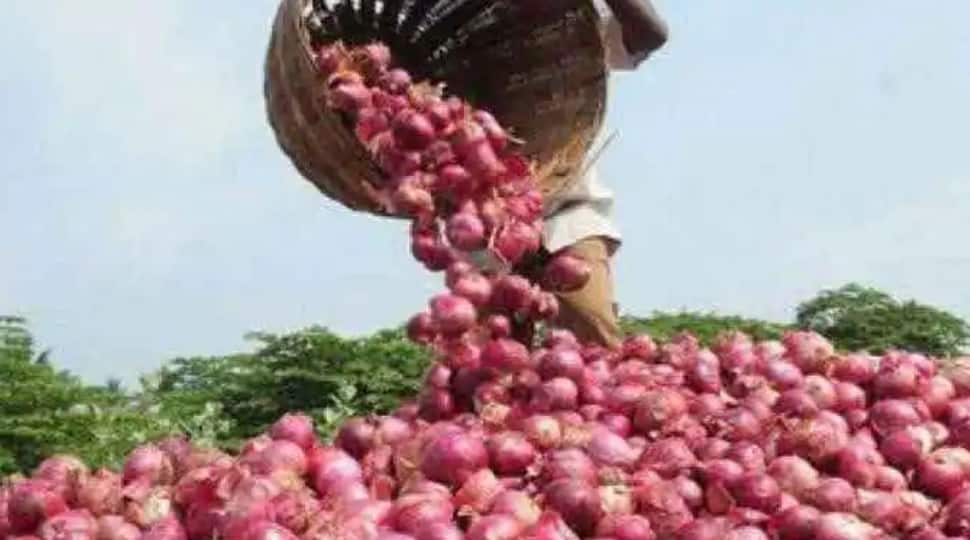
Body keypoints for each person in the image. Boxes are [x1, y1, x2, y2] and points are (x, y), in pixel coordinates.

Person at [541, 0, 668, 348]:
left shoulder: (562, 31)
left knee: (595, 344)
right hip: (484, 237)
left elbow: (648, 36)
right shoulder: (452, 59)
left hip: (564, 218)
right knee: (483, 371)